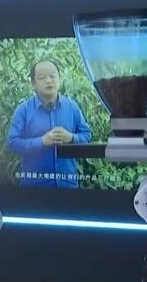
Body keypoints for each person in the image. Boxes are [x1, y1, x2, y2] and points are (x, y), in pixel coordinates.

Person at [7, 60, 92, 188]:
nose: (48, 81)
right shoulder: (23, 110)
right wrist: (41, 141)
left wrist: (71, 138)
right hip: (34, 188)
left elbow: (87, 135)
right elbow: (12, 143)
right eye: (42, 77)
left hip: (68, 186)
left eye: (52, 76)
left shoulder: (72, 107)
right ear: (33, 84)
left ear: (59, 79)